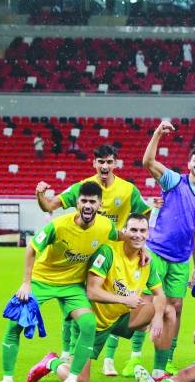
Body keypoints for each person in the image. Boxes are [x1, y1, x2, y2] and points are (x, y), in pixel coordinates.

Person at [0, 182, 119, 382]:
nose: (87, 205)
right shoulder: (58, 225)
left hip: (72, 286)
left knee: (88, 323)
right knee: (14, 325)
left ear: (100, 204)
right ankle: (7, 380)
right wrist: (26, 282)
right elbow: (31, 249)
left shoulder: (105, 226)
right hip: (42, 281)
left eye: (92, 201)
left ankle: (72, 380)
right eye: (84, 201)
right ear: (77, 203)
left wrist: (142, 250)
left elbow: (122, 236)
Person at [25, 213, 173, 382]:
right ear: (124, 231)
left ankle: (158, 372)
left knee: (168, 311)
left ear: (148, 233)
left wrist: (157, 316)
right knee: (81, 381)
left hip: (120, 317)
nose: (138, 235)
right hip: (93, 323)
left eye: (143, 230)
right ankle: (52, 362)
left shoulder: (146, 260)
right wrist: (125, 299)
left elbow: (160, 294)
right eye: (133, 230)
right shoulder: (108, 252)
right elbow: (92, 292)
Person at [36, 144, 152, 368]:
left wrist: (142, 245)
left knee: (121, 304)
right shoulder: (83, 188)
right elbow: (49, 205)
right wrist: (41, 195)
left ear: (116, 164)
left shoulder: (127, 190)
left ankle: (109, 358)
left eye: (109, 162)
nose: (105, 166)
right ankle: (67, 352)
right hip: (86, 255)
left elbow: (143, 216)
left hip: (116, 256)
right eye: (101, 162)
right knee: (74, 306)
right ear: (94, 163)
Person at [141, 121, 195, 377]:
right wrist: (157, 133)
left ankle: (167, 359)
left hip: (181, 260)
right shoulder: (174, 180)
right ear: (190, 164)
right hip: (156, 252)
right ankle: (136, 356)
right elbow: (148, 162)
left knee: (177, 307)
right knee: (149, 304)